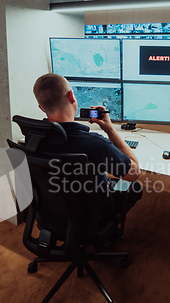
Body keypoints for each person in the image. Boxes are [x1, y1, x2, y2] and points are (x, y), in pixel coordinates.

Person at [32, 73, 142, 213]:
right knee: (135, 186)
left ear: (41, 107)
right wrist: (110, 130)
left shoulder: (33, 139)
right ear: (71, 96)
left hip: (52, 210)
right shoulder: (94, 143)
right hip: (92, 215)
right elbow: (134, 173)